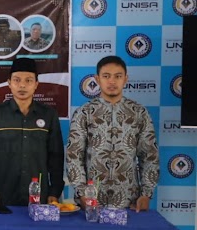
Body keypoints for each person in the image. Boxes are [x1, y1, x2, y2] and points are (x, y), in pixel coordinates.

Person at [67, 56, 159, 212]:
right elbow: (74, 156)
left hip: (130, 201)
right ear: (97, 79)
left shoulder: (139, 113)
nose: (112, 81)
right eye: (106, 76)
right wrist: (82, 194)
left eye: (118, 76)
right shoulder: (84, 112)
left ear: (125, 79)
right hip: (91, 201)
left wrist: (146, 194)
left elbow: (150, 155)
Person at [0, 58, 64, 206]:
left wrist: (54, 191)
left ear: (36, 84)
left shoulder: (48, 114)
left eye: (28, 80)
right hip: (2, 194)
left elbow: (56, 157)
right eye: (17, 80)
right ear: (9, 83)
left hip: (39, 195)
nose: (22, 85)